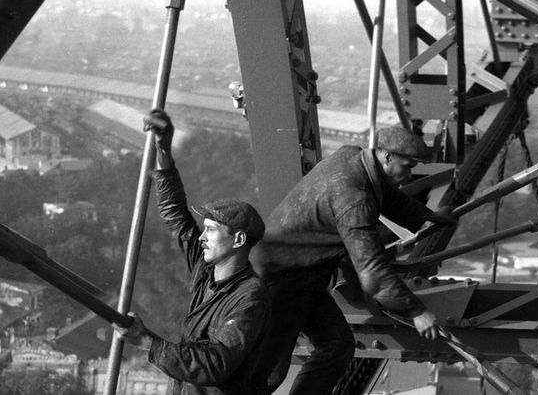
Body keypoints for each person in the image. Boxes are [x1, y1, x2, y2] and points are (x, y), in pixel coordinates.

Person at [250, 126, 457, 394]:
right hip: (279, 280)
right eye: (406, 167)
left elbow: (386, 195)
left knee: (337, 346)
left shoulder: (352, 157)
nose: (409, 175)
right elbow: (373, 275)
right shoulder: (354, 200)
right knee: (268, 373)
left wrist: (427, 217)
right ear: (385, 155)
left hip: (303, 274)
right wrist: (417, 312)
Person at [113, 110, 270, 394]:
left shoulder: (251, 298)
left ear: (238, 240)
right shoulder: (206, 272)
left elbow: (217, 364)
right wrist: (164, 149)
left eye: (211, 230)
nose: (202, 237)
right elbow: (176, 215)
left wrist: (147, 341)